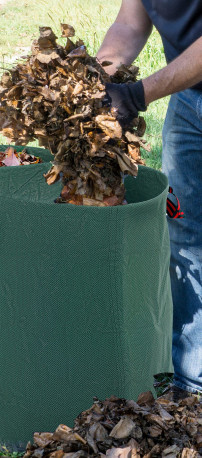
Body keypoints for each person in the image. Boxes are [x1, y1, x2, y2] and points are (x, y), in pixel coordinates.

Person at [96, 0, 201, 397]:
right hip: (190, 101)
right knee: (186, 236)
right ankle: (192, 389)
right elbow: (130, 23)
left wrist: (137, 94)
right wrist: (94, 84)